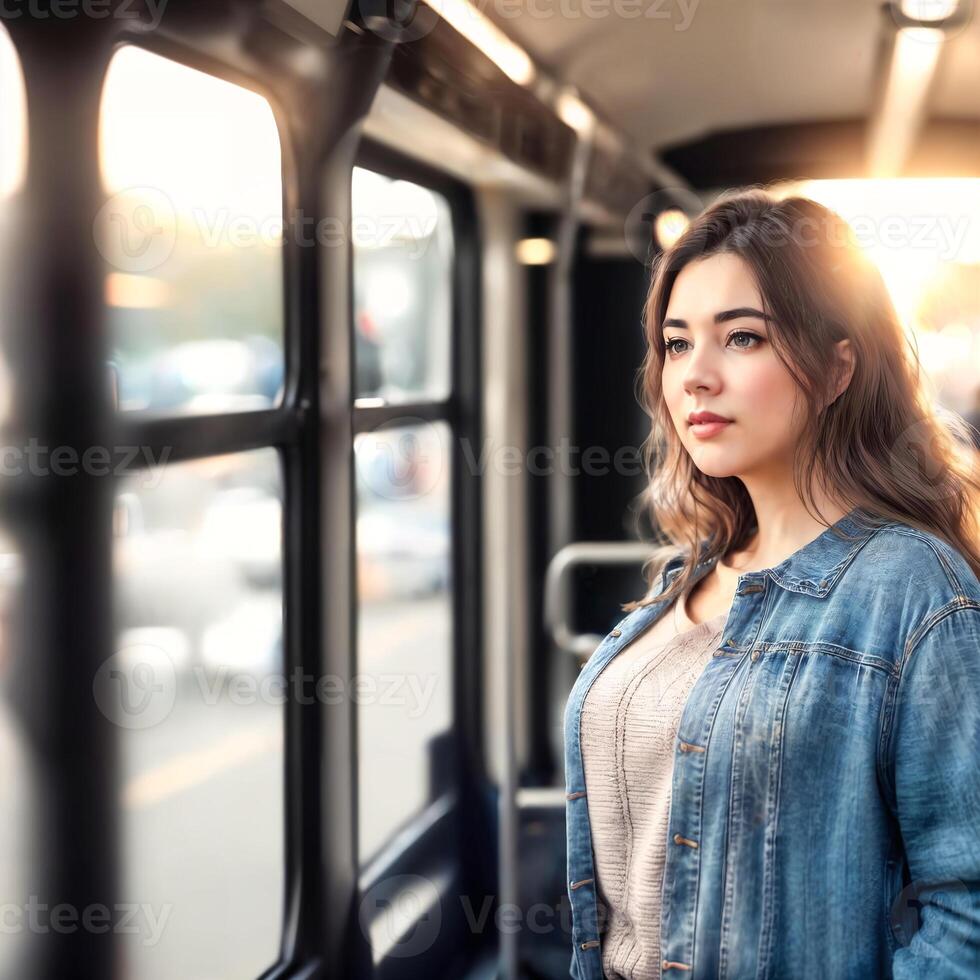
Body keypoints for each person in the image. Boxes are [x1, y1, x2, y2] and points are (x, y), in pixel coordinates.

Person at [563, 188, 980, 980]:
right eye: (677, 344)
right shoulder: (690, 571)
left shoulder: (913, 591)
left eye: (742, 338)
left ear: (835, 369)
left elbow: (968, 914)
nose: (695, 378)